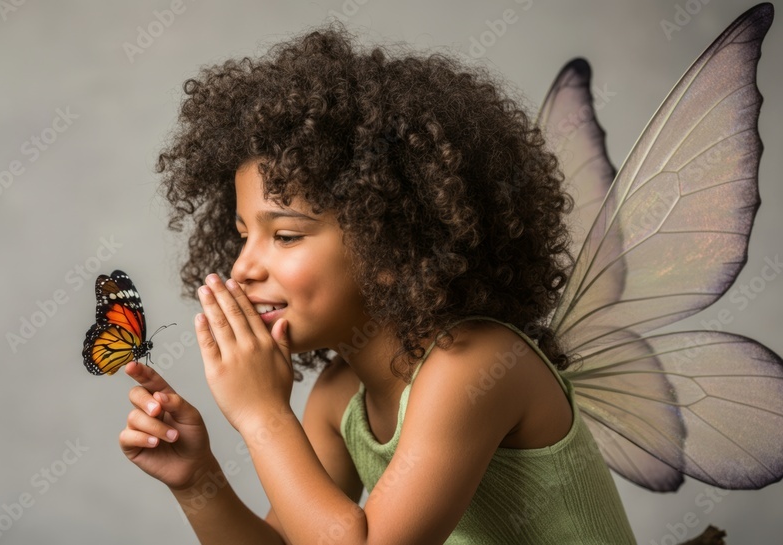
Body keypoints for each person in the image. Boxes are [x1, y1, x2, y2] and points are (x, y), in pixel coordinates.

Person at [118, 21, 637, 544]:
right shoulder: (339, 397)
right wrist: (196, 480)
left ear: (392, 242)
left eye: (287, 236)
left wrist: (262, 416)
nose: (241, 269)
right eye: (243, 234)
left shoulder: (476, 365)